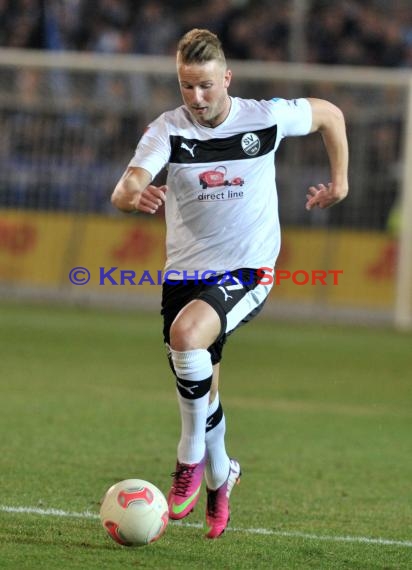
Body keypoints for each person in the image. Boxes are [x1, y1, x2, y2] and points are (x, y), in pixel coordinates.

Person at [111, 28, 349, 539]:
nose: (196, 99)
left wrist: (341, 181)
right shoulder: (169, 130)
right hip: (185, 273)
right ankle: (223, 477)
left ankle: (189, 459)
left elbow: (330, 114)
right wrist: (135, 196)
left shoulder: (264, 118)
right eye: (185, 87)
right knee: (203, 380)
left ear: (227, 79)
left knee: (186, 338)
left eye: (205, 86)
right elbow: (127, 184)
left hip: (249, 268)